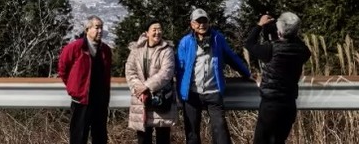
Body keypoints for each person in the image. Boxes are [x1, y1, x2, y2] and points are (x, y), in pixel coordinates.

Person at [176, 8, 253, 144]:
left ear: (209, 22)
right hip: (192, 93)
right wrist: (180, 92)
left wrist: (246, 73)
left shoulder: (217, 39)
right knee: (192, 134)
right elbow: (179, 67)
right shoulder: (185, 42)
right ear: (192, 24)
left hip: (213, 92)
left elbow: (231, 57)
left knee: (220, 131)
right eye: (198, 22)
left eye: (204, 21)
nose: (202, 25)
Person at [244, 12, 311, 144]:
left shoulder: (271, 49)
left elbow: (249, 44)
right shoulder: (302, 50)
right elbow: (299, 45)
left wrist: (260, 25)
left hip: (271, 104)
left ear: (279, 31)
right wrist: (290, 32)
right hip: (289, 104)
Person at [58, 15, 112, 144]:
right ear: (87, 29)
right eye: (96, 27)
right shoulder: (75, 47)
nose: (100, 31)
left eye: (101, 28)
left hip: (100, 100)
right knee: (78, 136)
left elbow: (107, 73)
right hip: (81, 100)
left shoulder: (106, 50)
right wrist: (74, 87)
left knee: (100, 136)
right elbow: (63, 69)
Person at [125, 20, 177, 144]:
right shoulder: (136, 49)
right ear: (146, 33)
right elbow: (130, 71)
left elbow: (166, 73)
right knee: (143, 138)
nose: (157, 32)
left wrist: (146, 86)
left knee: (163, 138)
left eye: (159, 29)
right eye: (154, 29)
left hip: (161, 99)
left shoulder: (167, 50)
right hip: (141, 99)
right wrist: (139, 88)